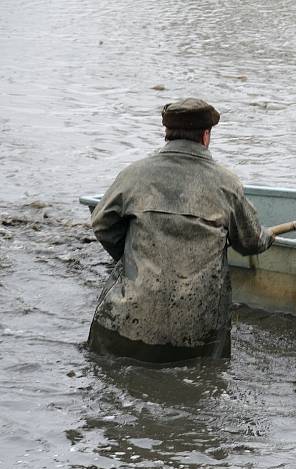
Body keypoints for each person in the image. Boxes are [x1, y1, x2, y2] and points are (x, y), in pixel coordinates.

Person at [88, 98, 273, 363]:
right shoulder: (226, 184)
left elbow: (101, 224)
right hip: (196, 337)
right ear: (206, 136)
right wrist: (268, 237)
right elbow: (251, 242)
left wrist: (130, 259)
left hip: (121, 328)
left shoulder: (134, 175)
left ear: (167, 134)